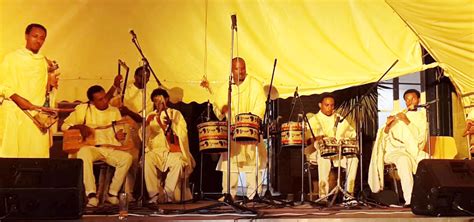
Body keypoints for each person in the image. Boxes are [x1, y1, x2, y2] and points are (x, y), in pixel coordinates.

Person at [62, 85, 133, 207]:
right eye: (100, 99)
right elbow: (64, 126)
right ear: (92, 101)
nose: (105, 101)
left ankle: (112, 194)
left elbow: (119, 133)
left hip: (109, 148)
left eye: (105, 97)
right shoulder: (82, 109)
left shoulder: (114, 111)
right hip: (91, 148)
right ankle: (91, 195)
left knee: (127, 158)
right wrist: (79, 126)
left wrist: (120, 136)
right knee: (83, 153)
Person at [212, 57, 267, 199]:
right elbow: (217, 106)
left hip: (250, 130)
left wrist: (249, 121)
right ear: (232, 70)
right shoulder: (225, 87)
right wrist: (223, 111)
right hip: (232, 132)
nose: (241, 71)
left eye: (243, 68)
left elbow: (261, 105)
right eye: (237, 68)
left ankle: (253, 194)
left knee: (252, 163)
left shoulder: (255, 85)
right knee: (230, 164)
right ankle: (228, 194)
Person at [0, 23, 56, 158]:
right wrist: (22, 102)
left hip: (36, 116)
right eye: (35, 36)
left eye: (42, 38)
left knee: (37, 155)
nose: (38, 40)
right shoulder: (12, 58)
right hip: (15, 112)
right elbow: (3, 85)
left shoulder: (43, 61)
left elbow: (46, 90)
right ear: (26, 36)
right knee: (13, 154)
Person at [368, 89, 429, 207]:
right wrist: (388, 125)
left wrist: (406, 120)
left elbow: (420, 138)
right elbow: (384, 135)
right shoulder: (397, 113)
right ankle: (410, 200)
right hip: (393, 151)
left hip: (412, 150)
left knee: (428, 160)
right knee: (403, 160)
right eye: (407, 99)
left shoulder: (422, 116)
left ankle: (429, 198)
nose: (409, 101)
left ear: (419, 100)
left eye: (413, 99)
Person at [108, 66, 154, 201]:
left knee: (133, 161)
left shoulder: (148, 95)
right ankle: (111, 193)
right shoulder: (125, 90)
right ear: (135, 76)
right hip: (119, 129)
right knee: (118, 160)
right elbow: (110, 104)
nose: (144, 80)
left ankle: (128, 194)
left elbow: (142, 118)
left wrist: (127, 111)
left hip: (135, 130)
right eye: (141, 77)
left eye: (147, 78)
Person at [144, 88, 195, 203]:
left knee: (178, 161)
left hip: (172, 151)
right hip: (156, 151)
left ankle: (168, 193)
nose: (158, 104)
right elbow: (143, 137)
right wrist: (147, 124)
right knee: (147, 158)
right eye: (155, 101)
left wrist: (172, 126)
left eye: (160, 100)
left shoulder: (175, 114)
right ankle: (154, 195)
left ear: (166, 99)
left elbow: (183, 133)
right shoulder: (150, 116)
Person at [305, 94, 359, 203]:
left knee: (353, 160)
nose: (330, 108)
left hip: (338, 152)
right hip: (318, 152)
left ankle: (348, 194)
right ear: (320, 105)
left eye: (332, 105)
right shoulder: (313, 119)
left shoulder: (339, 119)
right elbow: (306, 140)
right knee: (323, 158)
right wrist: (316, 138)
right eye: (327, 105)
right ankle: (323, 195)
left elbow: (352, 134)